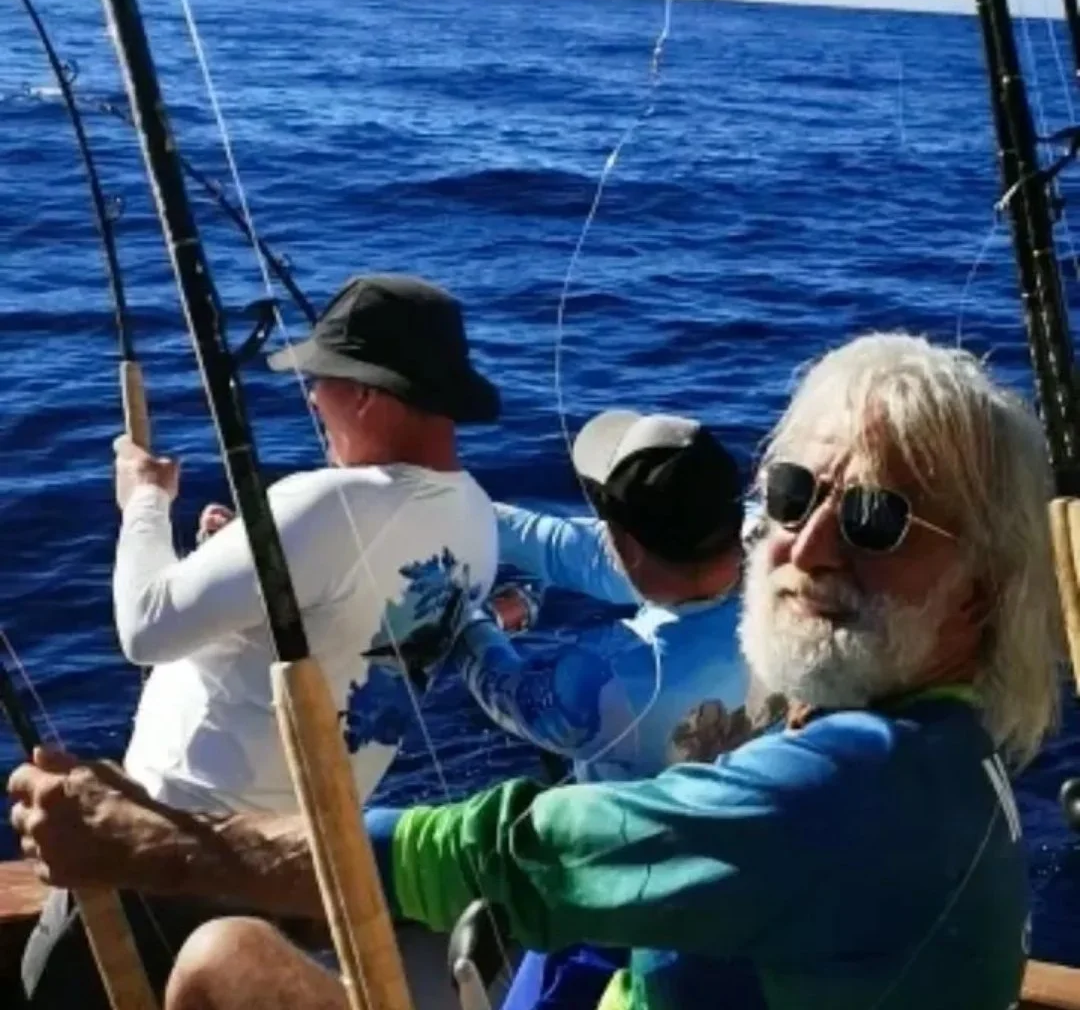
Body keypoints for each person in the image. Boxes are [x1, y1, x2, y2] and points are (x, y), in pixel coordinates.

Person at [10, 332, 1063, 1010]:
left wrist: (152, 841)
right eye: (793, 493)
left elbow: (505, 838)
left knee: (219, 962)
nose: (813, 543)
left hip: (598, 905)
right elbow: (577, 552)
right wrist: (450, 508)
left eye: (877, 519)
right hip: (673, 937)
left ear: (983, 585)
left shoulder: (736, 736)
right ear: (747, 522)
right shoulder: (914, 732)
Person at [19, 272, 502, 1009]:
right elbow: (347, 623)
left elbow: (144, 627)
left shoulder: (325, 501)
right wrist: (241, 562)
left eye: (323, 382)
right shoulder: (477, 520)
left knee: (45, 986)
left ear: (369, 394)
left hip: (171, 850)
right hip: (294, 860)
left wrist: (145, 502)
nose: (313, 400)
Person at [452, 409, 749, 1007]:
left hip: (622, 898)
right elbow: (585, 554)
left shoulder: (607, 679)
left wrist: (466, 618)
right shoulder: (785, 563)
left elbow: (507, 692)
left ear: (628, 546)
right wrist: (466, 516)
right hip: (757, 879)